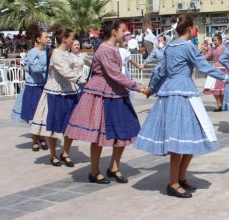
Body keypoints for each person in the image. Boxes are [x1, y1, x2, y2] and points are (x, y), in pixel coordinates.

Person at [134, 14, 229, 198]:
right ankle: (173, 183)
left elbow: (160, 71)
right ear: (190, 28)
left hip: (173, 92)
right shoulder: (187, 46)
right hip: (182, 93)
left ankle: (180, 178)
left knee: (189, 136)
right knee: (178, 139)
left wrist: (151, 89)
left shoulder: (169, 46)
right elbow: (204, 68)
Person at [65, 21, 149, 184]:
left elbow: (117, 75)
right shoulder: (104, 49)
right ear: (113, 32)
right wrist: (138, 87)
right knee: (99, 134)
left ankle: (114, 167)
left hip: (117, 93)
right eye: (123, 31)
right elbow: (114, 74)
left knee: (123, 132)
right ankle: (94, 171)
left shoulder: (115, 49)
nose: (125, 34)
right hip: (101, 95)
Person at [31, 29, 85, 167]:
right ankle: (53, 154)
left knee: (71, 125)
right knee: (54, 126)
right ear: (65, 39)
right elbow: (65, 71)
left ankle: (65, 153)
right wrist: (82, 80)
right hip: (56, 93)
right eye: (71, 38)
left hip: (71, 92)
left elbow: (78, 63)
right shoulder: (56, 54)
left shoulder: (68, 54)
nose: (73, 41)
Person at [11, 30, 50, 152]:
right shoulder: (33, 52)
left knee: (43, 113)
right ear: (38, 39)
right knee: (34, 113)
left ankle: (42, 137)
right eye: (46, 37)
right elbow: (36, 68)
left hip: (44, 85)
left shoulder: (48, 51)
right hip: (33, 86)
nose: (48, 39)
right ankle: (35, 140)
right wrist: (49, 68)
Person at [202, 34, 228, 112]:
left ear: (220, 40)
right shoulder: (212, 49)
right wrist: (198, 59)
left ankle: (223, 104)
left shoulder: (224, 48)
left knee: (222, 88)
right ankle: (218, 104)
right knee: (214, 87)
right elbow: (207, 55)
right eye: (213, 40)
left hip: (223, 68)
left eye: (215, 40)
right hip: (214, 68)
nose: (214, 42)